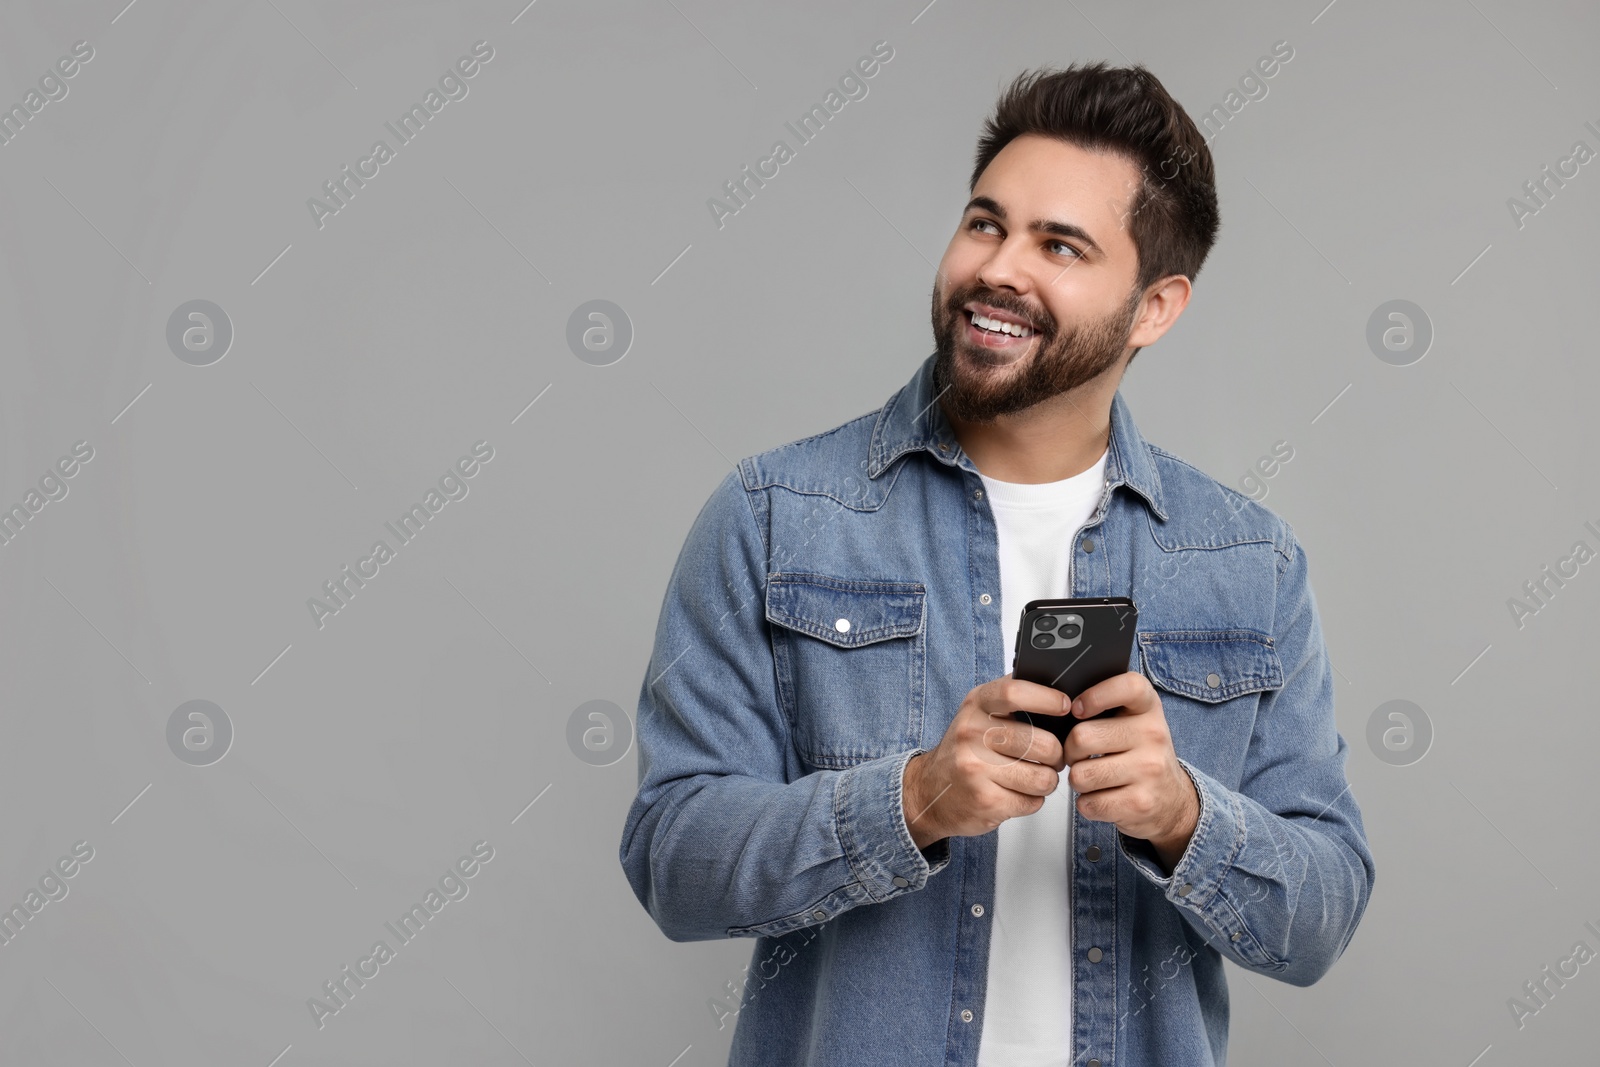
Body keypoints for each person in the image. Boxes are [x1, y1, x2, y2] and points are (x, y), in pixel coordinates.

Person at [619, 60, 1374, 1067]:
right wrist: (912, 801)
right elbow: (674, 859)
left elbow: (1319, 918)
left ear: (1154, 306)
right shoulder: (774, 516)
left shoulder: (1248, 562)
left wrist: (1181, 814)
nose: (997, 267)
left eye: (1058, 244)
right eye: (985, 222)